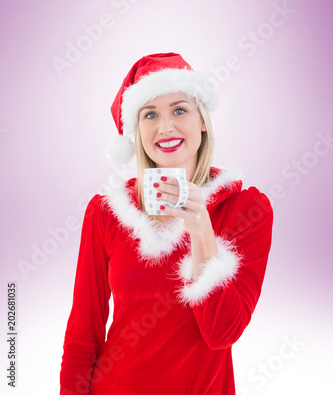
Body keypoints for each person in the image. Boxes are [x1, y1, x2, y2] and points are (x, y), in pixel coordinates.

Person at [60, 52, 273, 395]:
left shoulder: (247, 209)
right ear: (137, 131)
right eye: (150, 115)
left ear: (202, 120)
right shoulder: (105, 212)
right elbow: (83, 332)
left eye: (179, 109)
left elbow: (223, 333)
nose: (165, 127)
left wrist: (202, 231)